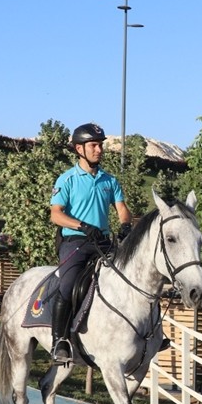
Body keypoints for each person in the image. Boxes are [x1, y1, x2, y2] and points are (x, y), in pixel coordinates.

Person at [48, 122, 132, 364]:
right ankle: (59, 341)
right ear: (79, 149)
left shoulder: (109, 180)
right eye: (94, 145)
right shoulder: (67, 180)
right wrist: (82, 226)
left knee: (132, 276)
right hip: (75, 242)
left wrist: (126, 225)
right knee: (67, 284)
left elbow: (122, 209)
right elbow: (56, 214)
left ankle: (149, 333)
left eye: (100, 145)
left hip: (103, 242)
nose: (99, 150)